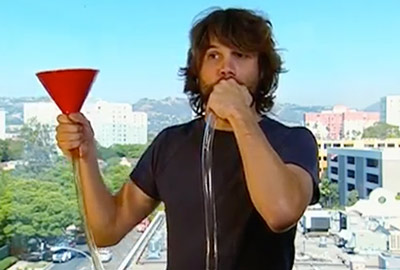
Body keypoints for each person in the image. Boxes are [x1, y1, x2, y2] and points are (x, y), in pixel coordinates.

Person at [55, 7, 320, 270]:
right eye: (213, 55)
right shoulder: (170, 144)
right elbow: (107, 229)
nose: (226, 68)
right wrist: (85, 155)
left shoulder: (293, 141)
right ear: (197, 69)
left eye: (240, 55)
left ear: (262, 70)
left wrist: (240, 116)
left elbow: (281, 212)